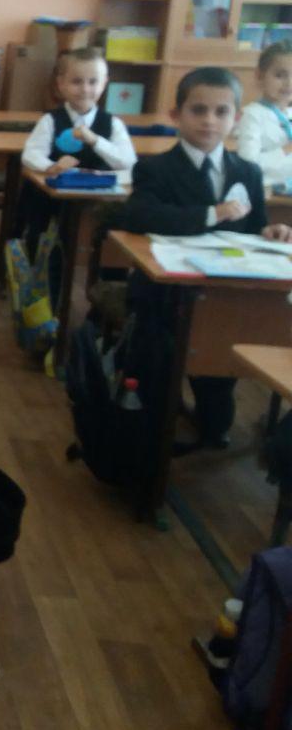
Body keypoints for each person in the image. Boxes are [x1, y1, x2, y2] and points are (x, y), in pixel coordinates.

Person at [122, 67, 292, 448]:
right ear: (176, 115)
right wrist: (211, 214)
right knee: (160, 362)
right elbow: (140, 215)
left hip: (226, 293)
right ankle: (151, 427)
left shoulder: (247, 171)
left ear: (237, 118)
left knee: (218, 363)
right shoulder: (155, 168)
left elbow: (254, 226)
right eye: (198, 110)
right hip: (164, 295)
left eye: (221, 112)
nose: (209, 121)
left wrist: (271, 232)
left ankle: (210, 420)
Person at [17, 47, 136, 259]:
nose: (85, 89)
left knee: (113, 222)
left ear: (104, 83)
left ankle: (100, 266)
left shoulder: (112, 123)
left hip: (97, 198)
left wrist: (96, 140)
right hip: (54, 199)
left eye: (93, 82)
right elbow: (31, 154)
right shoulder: (50, 120)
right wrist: (50, 166)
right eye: (76, 82)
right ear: (61, 84)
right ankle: (44, 264)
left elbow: (128, 161)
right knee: (42, 222)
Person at [236, 39, 292, 186]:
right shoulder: (252, 115)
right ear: (260, 76)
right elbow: (247, 163)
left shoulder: (289, 113)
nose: (289, 83)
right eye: (280, 75)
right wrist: (286, 150)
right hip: (267, 190)